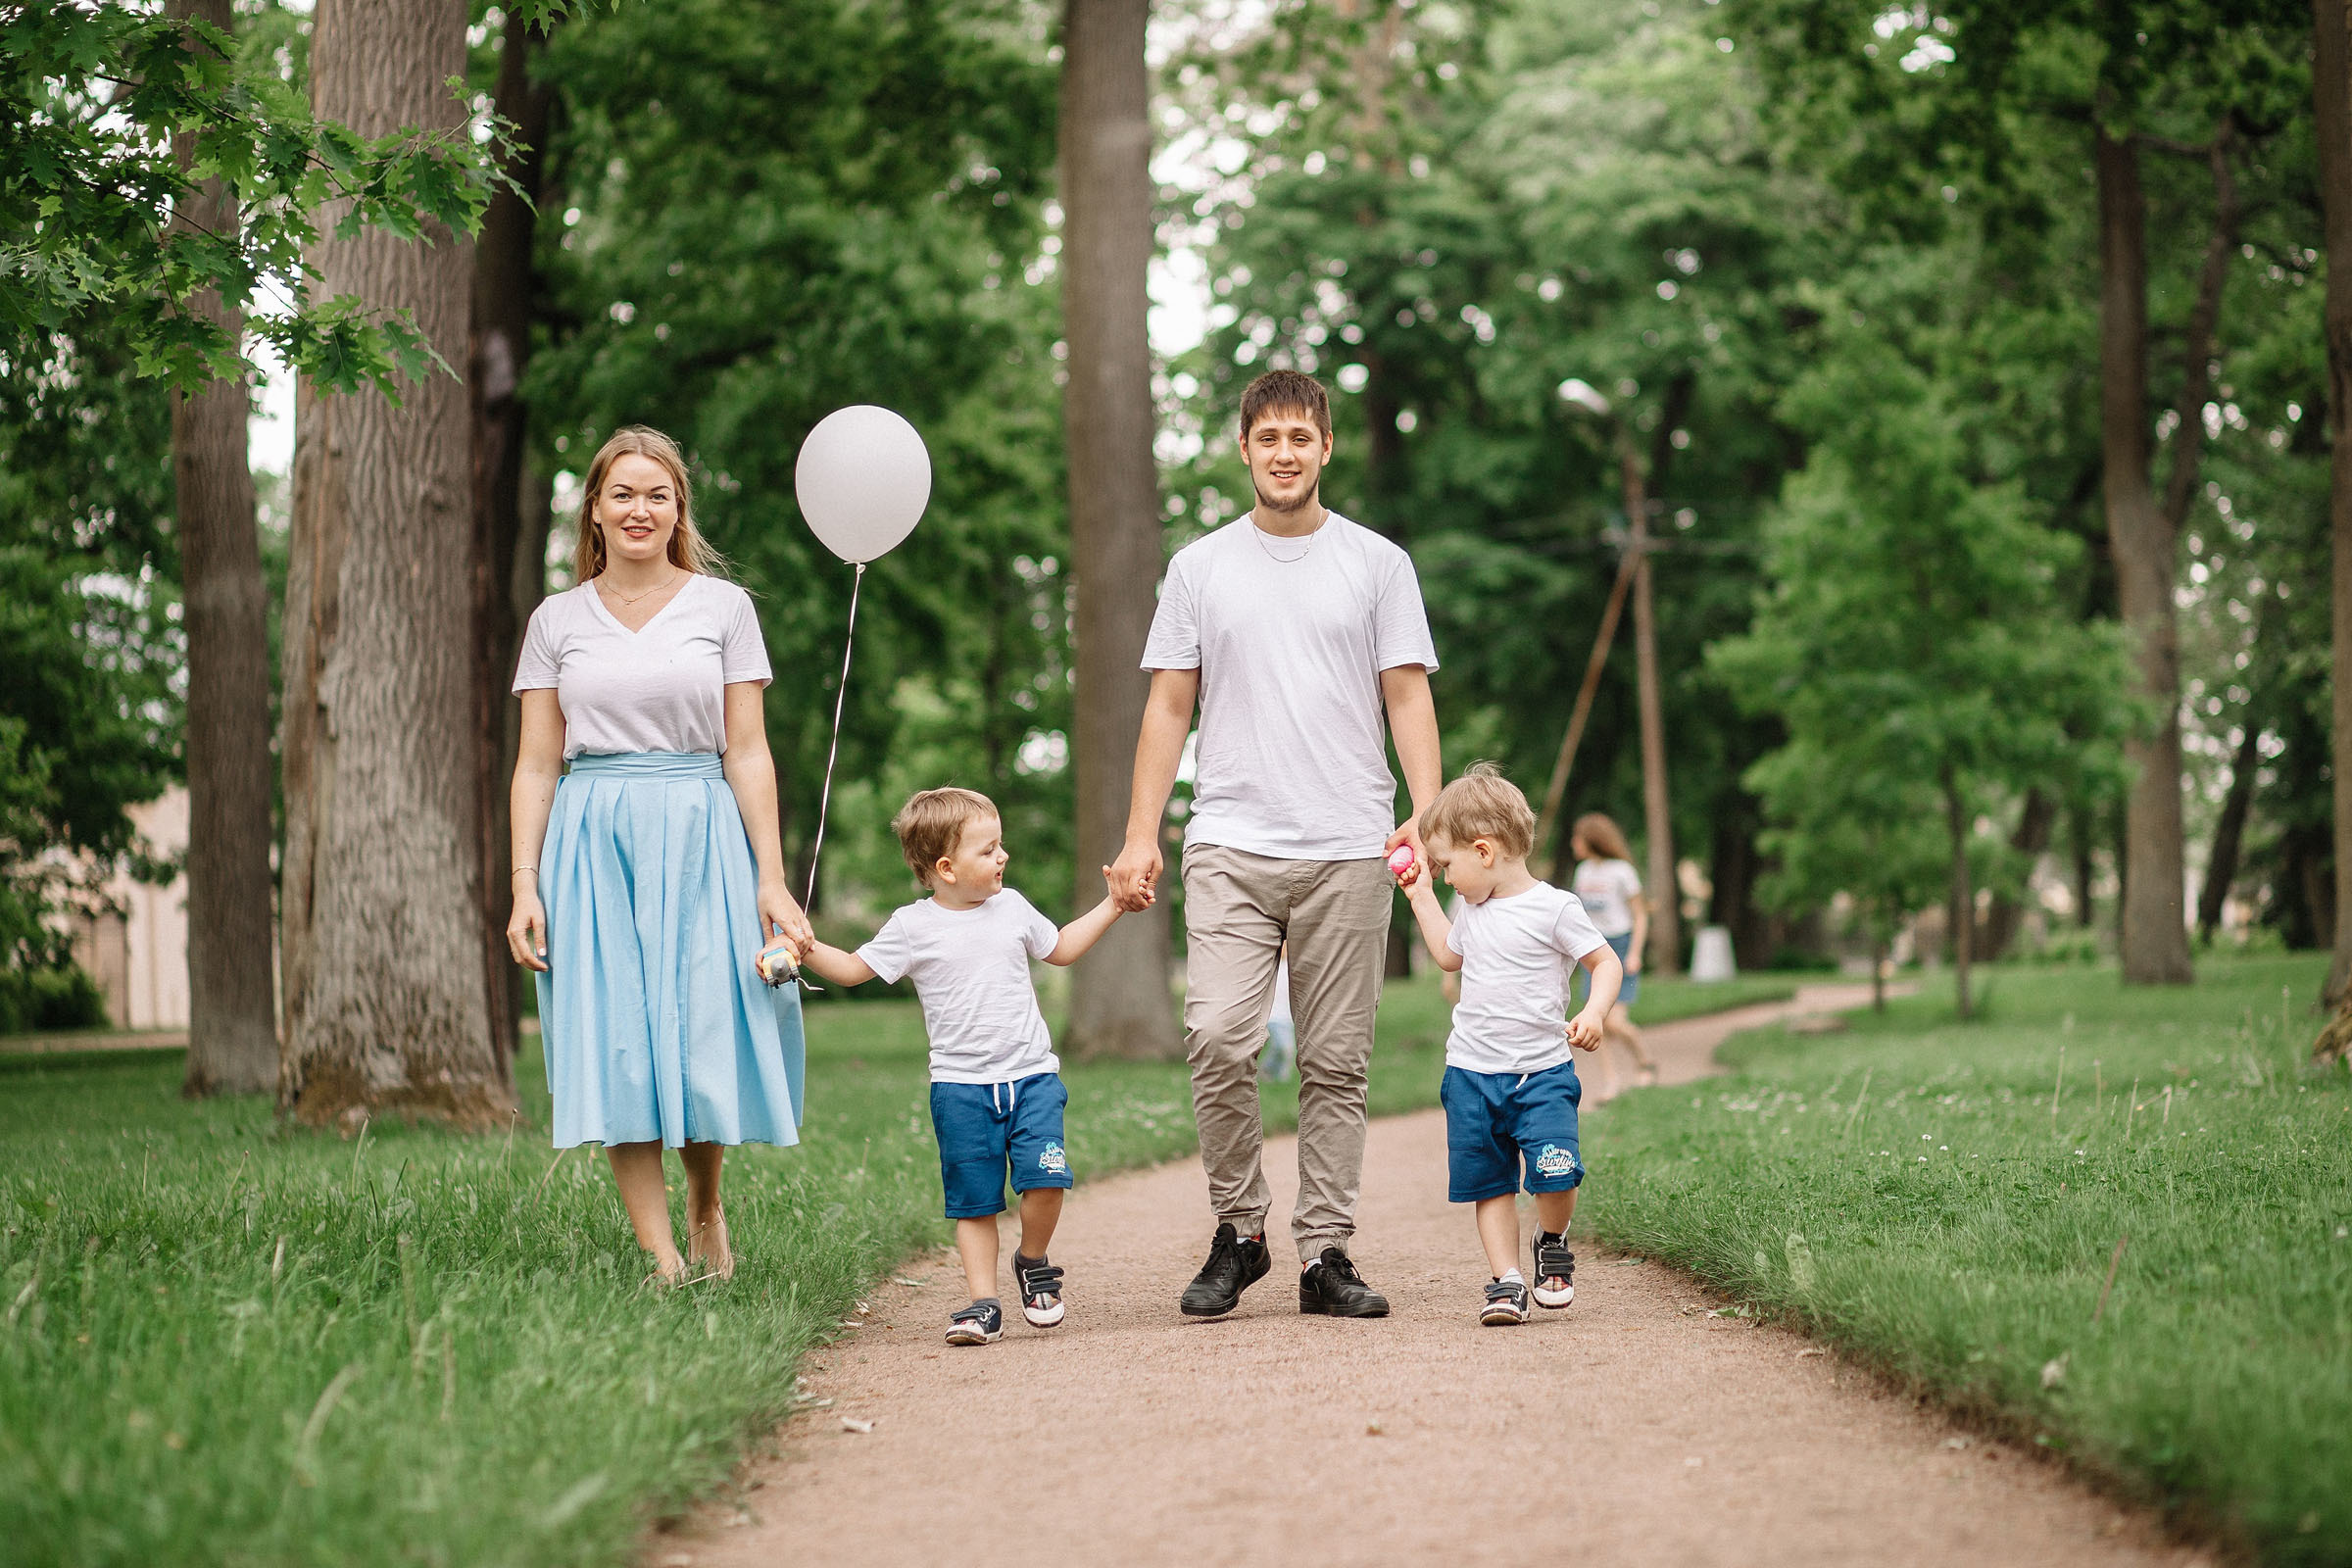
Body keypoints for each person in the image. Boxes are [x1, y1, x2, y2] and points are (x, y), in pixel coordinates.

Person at [1108, 368, 1442, 1322]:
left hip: (1347, 841)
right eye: (1269, 438)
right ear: (1245, 449)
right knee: (1217, 1034)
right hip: (1230, 841)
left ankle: (1325, 1251)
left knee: (1337, 1059)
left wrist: (1427, 808)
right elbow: (1169, 703)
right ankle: (1240, 1232)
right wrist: (1142, 834)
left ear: (1326, 447)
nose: (1286, 452)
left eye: (1302, 436)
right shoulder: (1200, 569)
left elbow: (1407, 691)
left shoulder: (1378, 564)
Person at [506, 426, 812, 1290]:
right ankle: (660, 1256)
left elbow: (747, 751)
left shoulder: (724, 609)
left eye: (658, 495)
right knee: (618, 1039)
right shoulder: (555, 620)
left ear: (679, 510)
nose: (640, 510)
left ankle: (707, 1210)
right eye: (623, 495)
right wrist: (524, 884)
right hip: (591, 833)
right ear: (595, 511)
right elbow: (536, 762)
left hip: (700, 824)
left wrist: (770, 874)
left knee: (701, 1024)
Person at [801, 787, 1136, 1346]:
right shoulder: (912, 926)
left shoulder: (1013, 907)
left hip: (1032, 1077)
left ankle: (1032, 1261)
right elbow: (855, 969)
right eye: (989, 850)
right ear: (946, 868)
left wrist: (1113, 905)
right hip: (960, 1090)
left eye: (1000, 844)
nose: (1003, 856)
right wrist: (800, 944)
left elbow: (1061, 948)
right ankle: (982, 1304)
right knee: (975, 1203)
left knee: (1046, 1180)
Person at [1399, 765, 1622, 1326]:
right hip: (1471, 1073)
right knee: (1490, 1182)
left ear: (1484, 851)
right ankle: (1506, 1281)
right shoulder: (1470, 910)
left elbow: (1605, 961)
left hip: (1541, 1071)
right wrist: (1421, 895)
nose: (1446, 877)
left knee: (1557, 1170)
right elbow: (1450, 956)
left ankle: (1551, 1238)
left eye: (1446, 866)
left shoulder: (1555, 908)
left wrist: (1594, 1010)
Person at [1569, 811, 1657, 1092]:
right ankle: (1611, 1081)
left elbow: (1640, 914)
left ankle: (1645, 1062)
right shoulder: (1582, 871)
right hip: (1594, 948)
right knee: (1597, 1021)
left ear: (1592, 840)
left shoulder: (1622, 871)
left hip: (1620, 945)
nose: (1573, 843)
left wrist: (1635, 952)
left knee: (1616, 1022)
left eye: (1578, 838)